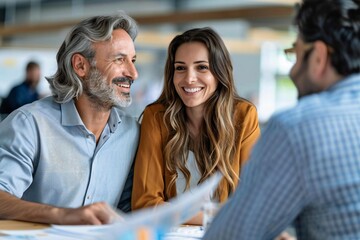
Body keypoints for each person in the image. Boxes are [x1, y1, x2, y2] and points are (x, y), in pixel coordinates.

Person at [204, 0, 360, 239]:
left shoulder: (299, 128)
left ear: (318, 57)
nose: (292, 71)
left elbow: (228, 236)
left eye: (295, 54)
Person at [0, 12, 140, 225]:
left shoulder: (131, 133)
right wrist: (63, 215)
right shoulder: (29, 124)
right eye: (120, 59)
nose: (133, 73)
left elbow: (126, 211)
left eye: (133, 60)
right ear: (80, 66)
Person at [132, 27, 260, 225]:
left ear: (219, 72)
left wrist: (176, 213)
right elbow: (145, 205)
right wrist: (217, 216)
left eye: (202, 67)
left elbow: (254, 202)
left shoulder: (244, 116)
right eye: (180, 68)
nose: (189, 78)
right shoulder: (156, 117)